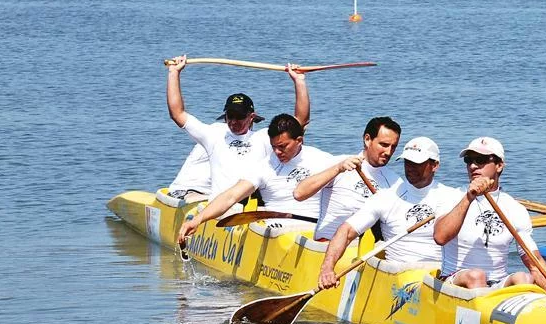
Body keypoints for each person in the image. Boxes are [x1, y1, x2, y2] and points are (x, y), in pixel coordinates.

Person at [318, 137, 455, 289]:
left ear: (435, 165)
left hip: (438, 276)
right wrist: (327, 268)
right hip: (399, 279)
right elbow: (347, 230)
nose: (410, 168)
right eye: (407, 162)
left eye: (417, 163)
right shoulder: (386, 197)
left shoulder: (453, 197)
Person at [165, 55, 309, 199]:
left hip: (249, 208)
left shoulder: (263, 138)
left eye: (240, 117)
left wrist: (299, 81)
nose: (234, 122)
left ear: (251, 117)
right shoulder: (213, 135)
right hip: (220, 207)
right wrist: (174, 72)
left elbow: (300, 120)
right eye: (230, 116)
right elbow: (177, 113)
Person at [177, 113, 334, 244]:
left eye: (282, 146)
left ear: (299, 141)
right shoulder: (263, 167)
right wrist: (198, 219)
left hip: (314, 229)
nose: (277, 152)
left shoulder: (323, 160)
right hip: (279, 231)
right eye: (273, 147)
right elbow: (231, 196)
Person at [433, 136, 546, 294]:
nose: (473, 166)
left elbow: (535, 264)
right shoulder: (450, 197)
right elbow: (440, 237)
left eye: (480, 160)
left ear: (499, 165)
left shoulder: (514, 208)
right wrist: (469, 198)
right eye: (468, 160)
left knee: (523, 278)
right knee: (476, 275)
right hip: (453, 280)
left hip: (496, 285)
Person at [293, 116, 403, 241]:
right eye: (384, 145)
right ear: (367, 139)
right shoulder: (338, 164)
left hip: (368, 249)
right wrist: (338, 169)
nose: (389, 152)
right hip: (327, 244)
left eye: (393, 147)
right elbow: (299, 193)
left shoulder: (395, 182)